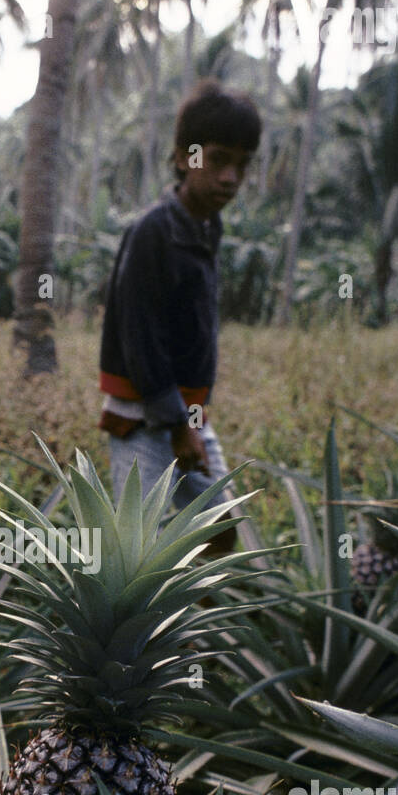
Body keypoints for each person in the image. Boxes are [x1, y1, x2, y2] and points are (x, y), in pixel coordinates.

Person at [98, 78, 261, 551]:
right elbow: (140, 335)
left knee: (222, 526)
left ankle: (185, 619)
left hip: (187, 415)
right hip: (146, 419)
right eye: (218, 160)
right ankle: (143, 624)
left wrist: (188, 421)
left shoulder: (208, 227)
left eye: (241, 165)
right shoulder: (153, 231)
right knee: (135, 550)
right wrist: (178, 426)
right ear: (185, 157)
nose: (230, 177)